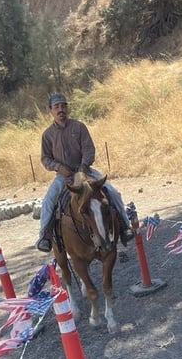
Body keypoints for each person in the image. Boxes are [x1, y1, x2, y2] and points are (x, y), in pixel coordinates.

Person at [36, 92, 134, 252]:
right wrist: (58, 167)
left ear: (67, 107)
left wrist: (83, 166)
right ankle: (45, 236)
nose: (60, 109)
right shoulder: (47, 135)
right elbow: (45, 158)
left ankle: (124, 226)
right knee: (48, 200)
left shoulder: (79, 127)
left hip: (86, 170)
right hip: (63, 176)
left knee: (113, 192)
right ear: (50, 110)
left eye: (63, 105)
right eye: (56, 107)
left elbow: (89, 148)